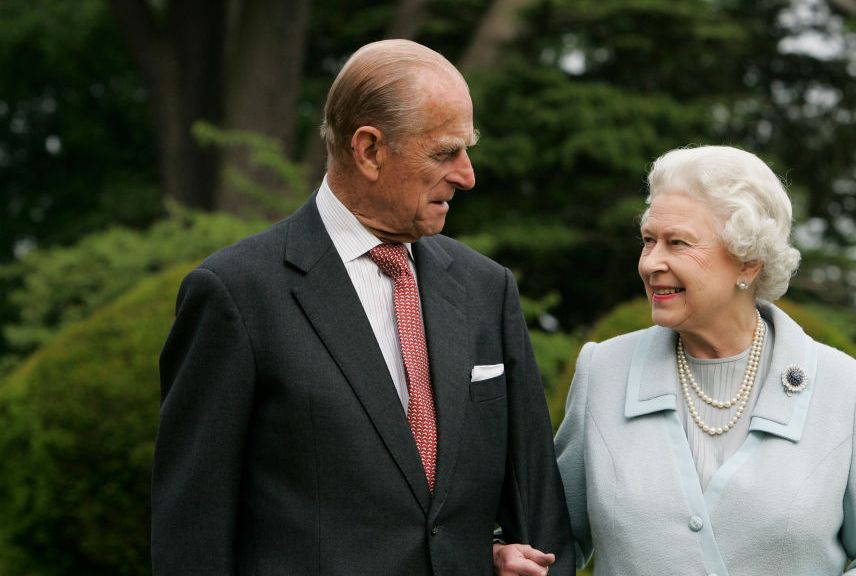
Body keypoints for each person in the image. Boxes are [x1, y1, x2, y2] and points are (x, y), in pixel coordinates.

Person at [152, 39, 573, 576]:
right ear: (369, 150)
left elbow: (538, 516)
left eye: (467, 150)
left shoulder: (487, 289)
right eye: (445, 152)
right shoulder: (235, 293)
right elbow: (192, 536)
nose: (467, 175)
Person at [493, 145, 856, 575]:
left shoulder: (847, 391)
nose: (651, 263)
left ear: (748, 263)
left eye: (678, 243)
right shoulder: (603, 372)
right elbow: (548, 540)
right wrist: (501, 553)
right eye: (649, 241)